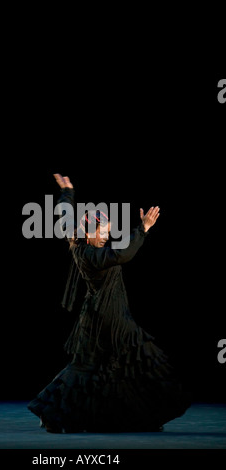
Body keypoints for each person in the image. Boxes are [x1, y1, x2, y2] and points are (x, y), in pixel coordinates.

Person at [27, 174, 191, 433]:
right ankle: (142, 413)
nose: (106, 236)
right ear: (88, 233)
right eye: (102, 232)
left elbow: (65, 214)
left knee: (89, 365)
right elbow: (123, 253)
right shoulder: (94, 255)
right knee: (140, 359)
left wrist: (68, 192)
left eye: (107, 232)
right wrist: (143, 229)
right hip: (111, 318)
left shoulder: (76, 242)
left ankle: (55, 411)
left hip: (95, 317)